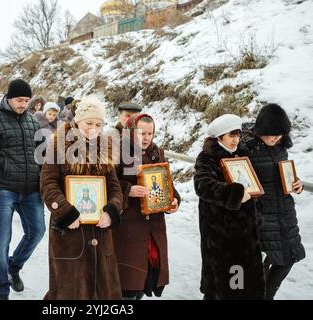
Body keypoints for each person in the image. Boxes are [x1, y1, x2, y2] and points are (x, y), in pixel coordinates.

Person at [40, 97, 123, 300]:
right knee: (69, 291)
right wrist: (66, 212)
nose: (93, 129)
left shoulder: (105, 150)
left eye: (98, 125)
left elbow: (114, 188)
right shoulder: (58, 146)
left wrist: (112, 210)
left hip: (100, 234)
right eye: (88, 123)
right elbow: (47, 184)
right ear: (78, 122)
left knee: (102, 292)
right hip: (69, 234)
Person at [0, 79, 45, 300]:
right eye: (19, 100)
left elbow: (42, 157)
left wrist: (45, 185)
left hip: (31, 190)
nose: (23, 104)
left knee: (37, 232)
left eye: (26, 100)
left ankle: (14, 267)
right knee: (2, 239)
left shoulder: (34, 123)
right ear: (9, 98)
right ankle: (2, 290)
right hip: (2, 188)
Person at [193, 114, 265, 300]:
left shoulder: (242, 154)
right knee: (226, 287)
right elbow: (203, 185)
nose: (236, 140)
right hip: (222, 236)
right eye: (231, 135)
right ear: (220, 137)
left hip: (247, 234)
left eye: (238, 135)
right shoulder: (208, 157)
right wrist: (234, 194)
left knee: (246, 286)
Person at [113, 113, 180, 300]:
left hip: (153, 226)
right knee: (128, 281)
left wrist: (173, 200)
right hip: (128, 226)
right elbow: (107, 183)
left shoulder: (156, 152)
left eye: (150, 133)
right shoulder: (118, 152)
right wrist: (129, 190)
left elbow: (166, 182)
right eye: (141, 133)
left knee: (145, 278)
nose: (146, 137)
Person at [243, 104, 305, 300]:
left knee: (289, 257)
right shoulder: (247, 148)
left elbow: (283, 175)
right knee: (260, 263)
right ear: (262, 130)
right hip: (261, 215)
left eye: (280, 134)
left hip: (284, 213)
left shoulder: (280, 149)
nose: (276, 138)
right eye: (272, 134)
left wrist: (297, 184)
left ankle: (266, 295)